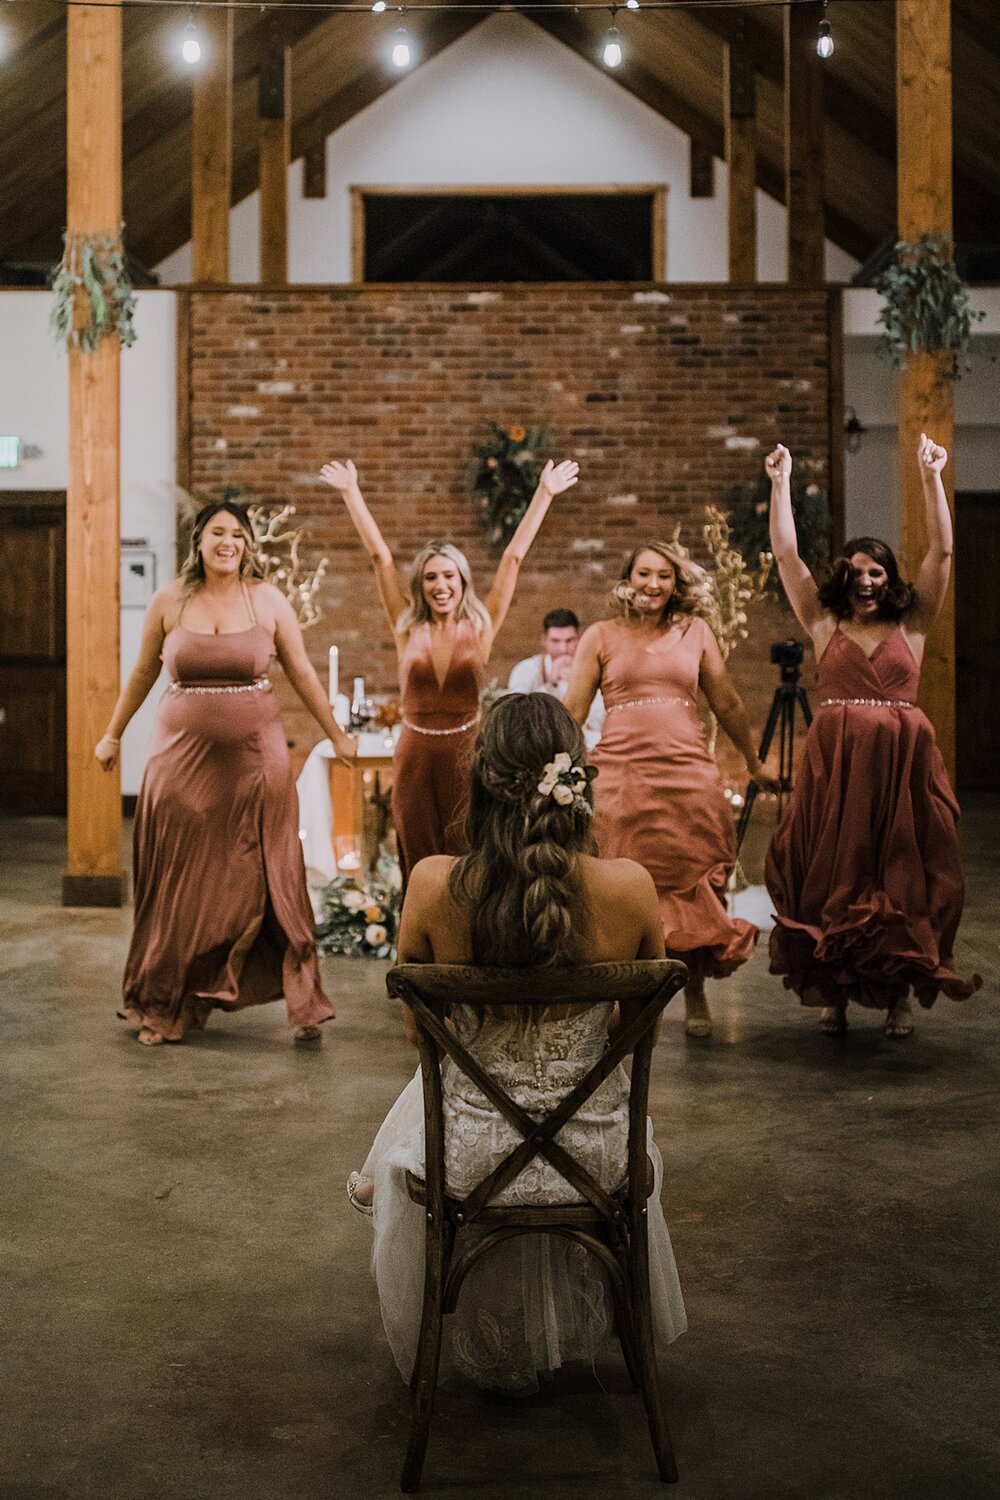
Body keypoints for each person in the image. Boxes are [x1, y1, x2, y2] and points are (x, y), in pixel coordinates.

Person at [347, 694, 687, 1392]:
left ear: (481, 777)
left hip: (467, 1154)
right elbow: (635, 1037)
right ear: (576, 780)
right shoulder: (630, 889)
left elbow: (422, 1039)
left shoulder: (434, 885)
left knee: (449, 1080)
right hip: (597, 1152)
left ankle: (376, 1174)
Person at [95, 501, 357, 1046]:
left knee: (262, 878)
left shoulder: (266, 599)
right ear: (199, 540)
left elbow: (302, 671)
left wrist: (335, 732)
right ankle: (166, 1000)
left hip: (254, 763)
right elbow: (144, 669)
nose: (228, 542)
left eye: (238, 534)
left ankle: (298, 997)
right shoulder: (170, 600)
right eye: (218, 532)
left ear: (248, 545)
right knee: (179, 883)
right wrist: (113, 733)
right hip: (180, 761)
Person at [764, 437, 981, 1037]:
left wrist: (929, 474)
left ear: (889, 580)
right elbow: (787, 557)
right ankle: (833, 997)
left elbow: (942, 548)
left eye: (876, 572)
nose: (866, 581)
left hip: (899, 769)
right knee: (834, 873)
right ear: (844, 579)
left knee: (900, 873)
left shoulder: (912, 625)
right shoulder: (822, 621)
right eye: (857, 572)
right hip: (836, 768)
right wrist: (779, 486)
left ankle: (897, 1001)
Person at [319, 456, 578, 887]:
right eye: (431, 578)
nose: (440, 586)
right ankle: (422, 946)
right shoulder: (406, 626)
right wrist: (351, 492)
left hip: (467, 756)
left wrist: (545, 493)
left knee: (469, 852)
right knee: (418, 856)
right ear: (421, 585)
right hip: (415, 756)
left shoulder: (481, 626)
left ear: (462, 581)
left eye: (449, 577)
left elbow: (512, 558)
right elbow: (380, 558)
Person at [565, 542, 779, 1038]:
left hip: (686, 773)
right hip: (621, 776)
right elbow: (573, 710)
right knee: (624, 882)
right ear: (628, 578)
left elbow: (726, 702)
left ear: (675, 584)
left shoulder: (696, 631)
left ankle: (695, 990)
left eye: (664, 576)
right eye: (644, 573)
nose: (653, 584)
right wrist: (555, 766)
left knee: (694, 881)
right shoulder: (600, 635)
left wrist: (753, 760)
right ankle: (628, 994)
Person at [508, 607, 606, 749]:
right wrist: (550, 684)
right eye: (555, 641)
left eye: (569, 640)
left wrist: (580, 683)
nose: (563, 649)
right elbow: (513, 714)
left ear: (580, 638)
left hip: (590, 746)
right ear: (543, 640)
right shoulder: (528, 669)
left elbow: (601, 720)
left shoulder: (595, 670)